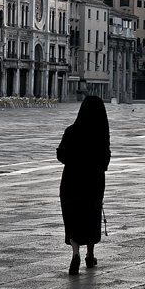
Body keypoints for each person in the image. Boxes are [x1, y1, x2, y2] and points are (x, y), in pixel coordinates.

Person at [57, 95, 111, 275]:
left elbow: (61, 156)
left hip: (71, 181)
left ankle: (75, 254)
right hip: (93, 181)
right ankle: (89, 255)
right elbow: (105, 162)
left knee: (72, 217)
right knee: (91, 216)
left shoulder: (71, 130)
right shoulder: (101, 134)